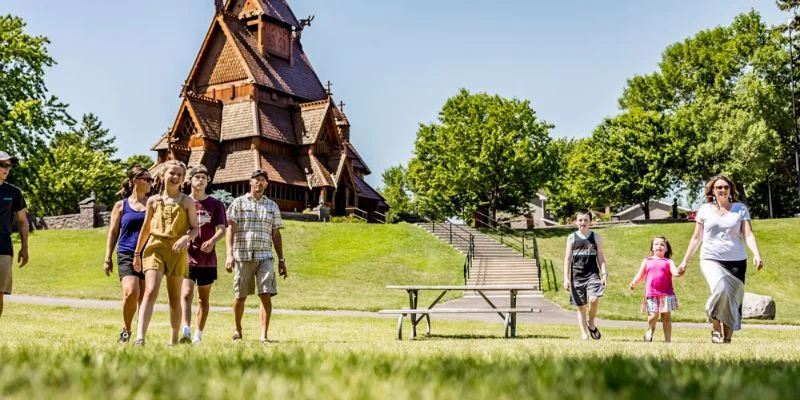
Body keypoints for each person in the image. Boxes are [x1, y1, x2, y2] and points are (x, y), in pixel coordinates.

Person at [677, 174, 764, 344]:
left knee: (732, 300)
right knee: (720, 289)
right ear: (712, 191)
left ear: (730, 189)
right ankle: (715, 328)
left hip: (737, 260)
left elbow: (748, 234)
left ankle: (727, 339)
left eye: (725, 187)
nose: (722, 190)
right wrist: (685, 261)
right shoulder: (705, 210)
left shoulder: (740, 208)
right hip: (711, 258)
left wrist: (757, 254)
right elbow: (696, 238)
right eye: (719, 187)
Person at [132, 160, 199, 346]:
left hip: (178, 251)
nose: (175, 177)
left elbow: (195, 229)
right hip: (155, 247)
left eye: (179, 174)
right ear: (163, 176)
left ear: (183, 179)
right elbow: (145, 229)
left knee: (174, 297)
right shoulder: (153, 201)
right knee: (150, 290)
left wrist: (186, 238)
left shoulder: (187, 201)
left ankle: (174, 339)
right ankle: (140, 337)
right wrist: (137, 254)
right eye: (172, 173)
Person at [225, 169, 287, 344]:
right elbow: (230, 228)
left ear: (266, 184)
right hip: (243, 255)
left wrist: (281, 259)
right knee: (240, 295)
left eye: (263, 180)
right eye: (256, 180)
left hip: (265, 255)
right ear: (250, 182)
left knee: (265, 293)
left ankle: (264, 335)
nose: (259, 183)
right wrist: (229, 254)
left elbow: (276, 233)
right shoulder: (238, 203)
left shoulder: (272, 206)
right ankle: (237, 328)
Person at [103, 166, 152, 342]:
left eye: (150, 179)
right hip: (126, 252)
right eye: (145, 179)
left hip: (149, 254)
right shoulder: (121, 205)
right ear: (134, 181)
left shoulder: (152, 204)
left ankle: (140, 336)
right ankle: (127, 330)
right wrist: (107, 257)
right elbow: (113, 232)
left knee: (144, 298)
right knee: (131, 292)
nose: (149, 182)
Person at [179, 165, 227, 344]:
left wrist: (212, 241)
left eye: (203, 177)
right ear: (190, 180)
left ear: (208, 181)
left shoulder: (215, 204)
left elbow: (222, 229)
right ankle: (186, 330)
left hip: (207, 259)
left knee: (203, 298)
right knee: (185, 293)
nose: (200, 180)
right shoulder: (183, 202)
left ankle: (199, 333)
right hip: (187, 256)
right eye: (196, 177)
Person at [563, 209, 607, 340]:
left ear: (590, 222)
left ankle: (591, 322)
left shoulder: (596, 237)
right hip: (576, 276)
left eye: (586, 220)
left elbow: (601, 257)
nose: (583, 222)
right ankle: (584, 334)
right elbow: (567, 259)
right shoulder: (571, 237)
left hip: (592, 274)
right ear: (576, 222)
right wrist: (565, 278)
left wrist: (604, 274)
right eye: (580, 220)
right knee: (581, 306)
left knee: (594, 299)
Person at [629, 236, 681, 342]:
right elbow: (640, 274)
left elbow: (675, 272)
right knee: (653, 316)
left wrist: (679, 271)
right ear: (652, 248)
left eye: (662, 244)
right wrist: (634, 282)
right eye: (656, 244)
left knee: (666, 317)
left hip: (666, 294)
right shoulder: (647, 261)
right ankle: (650, 330)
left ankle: (667, 340)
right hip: (651, 293)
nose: (659, 246)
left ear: (666, 249)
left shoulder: (668, 261)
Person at [0, 151, 29, 320]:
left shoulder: (14, 192)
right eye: (3, 165)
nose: (7, 169)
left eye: (9, 166)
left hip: (3, 247)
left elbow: (22, 221)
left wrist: (24, 248)